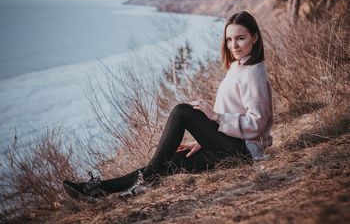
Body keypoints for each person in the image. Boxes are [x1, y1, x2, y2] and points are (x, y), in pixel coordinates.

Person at [63, 11, 273, 202]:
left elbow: (257, 123)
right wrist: (203, 139)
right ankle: (99, 189)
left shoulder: (254, 72)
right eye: (229, 39)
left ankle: (139, 180)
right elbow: (234, 112)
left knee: (182, 111)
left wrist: (215, 117)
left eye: (240, 38)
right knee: (170, 161)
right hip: (228, 147)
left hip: (243, 152)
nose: (233, 45)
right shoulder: (239, 66)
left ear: (255, 37)